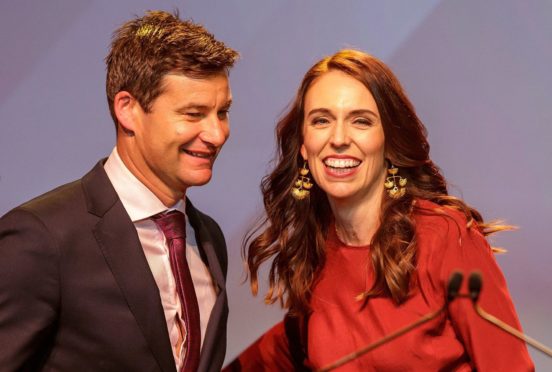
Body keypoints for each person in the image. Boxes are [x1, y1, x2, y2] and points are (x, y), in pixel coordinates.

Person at [226, 49, 533, 371]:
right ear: (304, 144)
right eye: (321, 120)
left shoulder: (446, 237)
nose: (339, 138)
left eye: (361, 121)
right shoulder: (313, 253)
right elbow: (264, 358)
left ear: (389, 140)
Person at [0, 10, 238, 372]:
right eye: (193, 114)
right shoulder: (41, 238)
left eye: (222, 112)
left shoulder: (209, 238)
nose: (217, 134)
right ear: (127, 110)